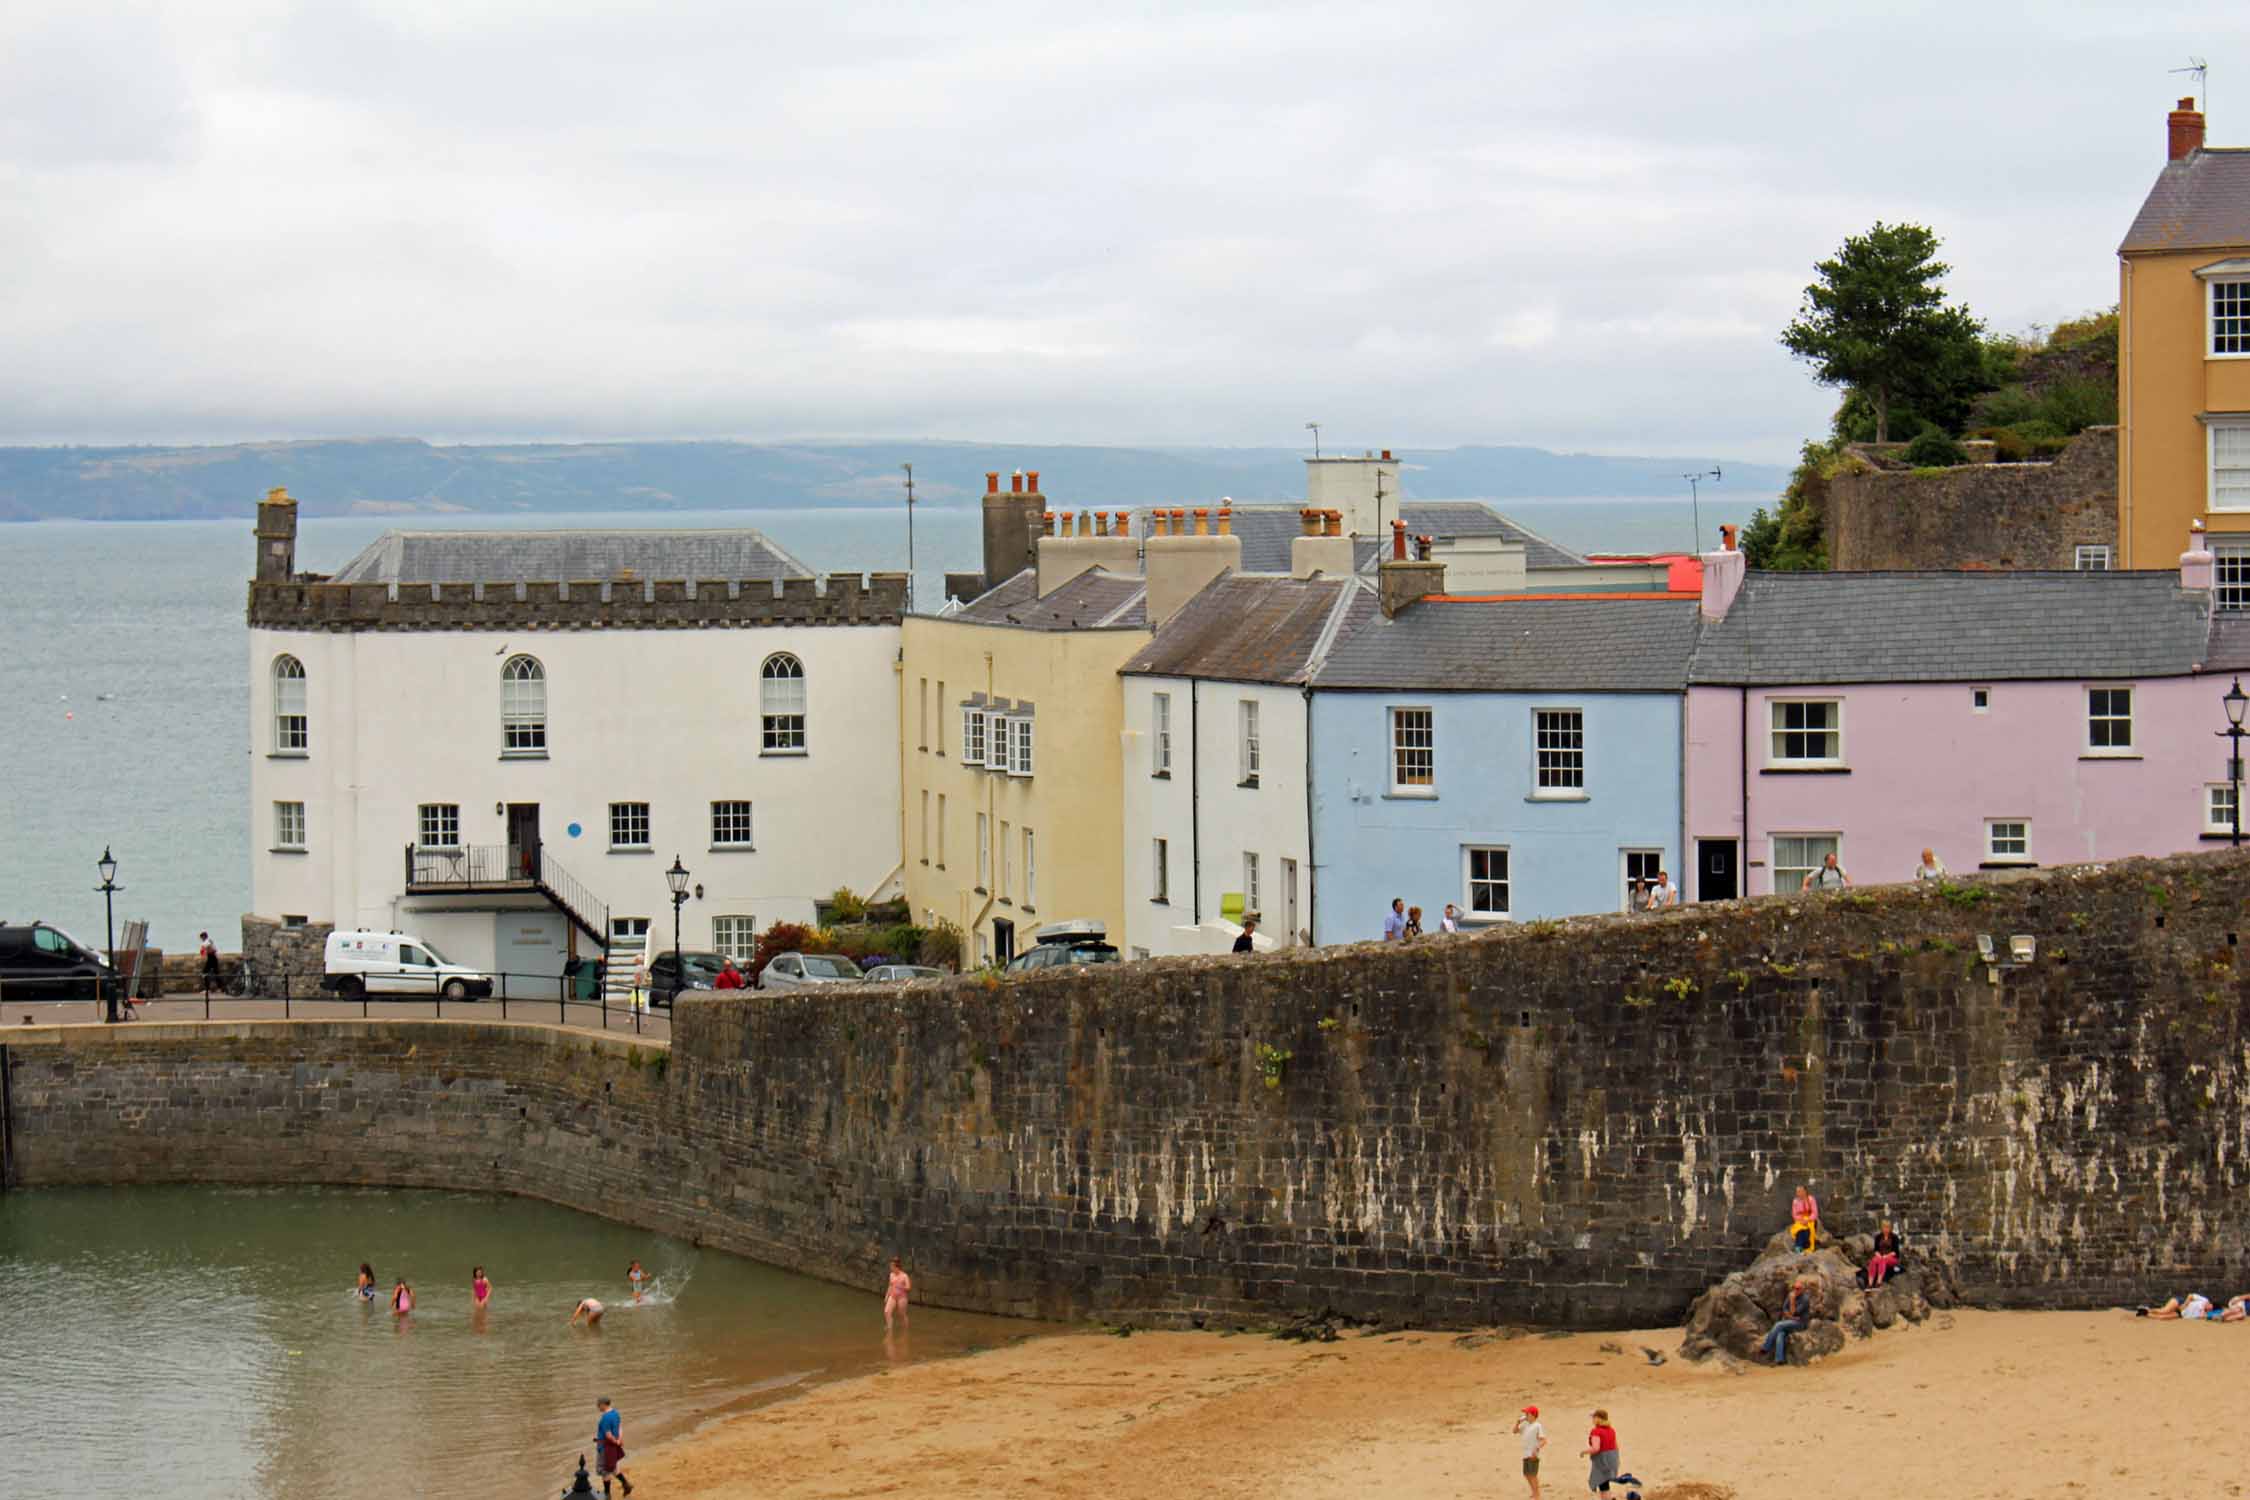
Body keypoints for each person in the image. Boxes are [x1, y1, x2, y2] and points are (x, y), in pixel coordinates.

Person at [1580, 1409, 1640, 1494]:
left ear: (1598, 1419)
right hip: (1612, 1457)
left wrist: (1583, 1452)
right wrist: (1616, 1459)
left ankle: (1625, 1479)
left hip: (1602, 1459)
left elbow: (1596, 1448)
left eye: (1594, 1417)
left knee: (1602, 1484)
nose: (1592, 1420)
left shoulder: (1596, 1431)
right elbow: (1616, 1446)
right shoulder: (1611, 1430)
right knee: (1605, 1481)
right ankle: (1625, 1479)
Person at [1760, 1277, 1814, 1364]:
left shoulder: (1805, 1299)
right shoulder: (1790, 1295)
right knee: (1780, 1334)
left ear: (1802, 1289)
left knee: (1778, 1325)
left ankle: (1766, 1348)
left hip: (1800, 1324)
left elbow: (1794, 1313)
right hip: (1791, 1322)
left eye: (1797, 1288)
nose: (1795, 1290)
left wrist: (1792, 1301)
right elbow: (1784, 1309)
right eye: (1794, 1288)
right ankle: (1779, 1360)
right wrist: (1791, 1317)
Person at [593, 1397, 634, 1497]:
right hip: (613, 1447)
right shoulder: (615, 1413)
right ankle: (626, 1484)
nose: (597, 1407)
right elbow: (620, 1427)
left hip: (605, 1448)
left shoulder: (605, 1418)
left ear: (603, 1404)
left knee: (604, 1471)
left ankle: (607, 1495)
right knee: (613, 1467)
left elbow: (608, 1434)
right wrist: (619, 1439)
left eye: (598, 1405)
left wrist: (615, 1441)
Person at [1512, 1403, 1547, 1499]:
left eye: (1527, 1414)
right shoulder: (1525, 1425)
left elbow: (1543, 1440)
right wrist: (1518, 1422)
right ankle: (1534, 1492)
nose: (1525, 1416)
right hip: (1526, 1454)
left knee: (1533, 1475)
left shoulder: (1537, 1426)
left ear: (1532, 1415)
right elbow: (1514, 1431)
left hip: (1533, 1454)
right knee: (1527, 1474)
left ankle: (1537, 1494)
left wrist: (1536, 1449)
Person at [1864, 1222, 1904, 1287]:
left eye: (1887, 1227)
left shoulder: (1894, 1237)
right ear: (1882, 1228)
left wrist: (1886, 1256)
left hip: (1892, 1257)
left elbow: (1895, 1252)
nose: (1886, 1229)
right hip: (1880, 1256)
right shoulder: (1878, 1236)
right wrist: (1878, 1255)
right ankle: (1870, 1283)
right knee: (1873, 1261)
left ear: (1890, 1228)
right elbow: (1876, 1250)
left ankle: (1879, 1282)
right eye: (1884, 1227)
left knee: (1883, 1260)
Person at [884, 1256, 912, 1334]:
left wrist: (902, 1286)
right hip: (892, 1296)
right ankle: (889, 1327)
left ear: (897, 1267)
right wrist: (887, 1295)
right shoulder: (891, 1275)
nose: (890, 1268)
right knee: (887, 1311)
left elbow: (909, 1287)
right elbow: (890, 1285)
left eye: (891, 1266)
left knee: (901, 1314)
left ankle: (905, 1330)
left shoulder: (904, 1276)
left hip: (902, 1297)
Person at [1789, 1183, 1820, 1252]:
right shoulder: (1795, 1201)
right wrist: (1801, 1220)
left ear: (1805, 1191)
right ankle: (1799, 1247)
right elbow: (1794, 1214)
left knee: (1807, 1230)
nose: (1798, 1193)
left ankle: (1801, 1246)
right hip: (1800, 1220)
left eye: (1800, 1191)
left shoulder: (1811, 1199)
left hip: (1810, 1220)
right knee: (1800, 1230)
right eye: (1797, 1192)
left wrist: (1808, 1219)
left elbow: (1815, 1213)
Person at [2145, 1292, 2214, 1320]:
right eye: (2210, 1306)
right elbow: (2190, 1296)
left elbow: (2203, 1317)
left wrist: (2203, 1312)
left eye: (2210, 1309)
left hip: (2181, 1314)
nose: (2209, 1308)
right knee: (2164, 1311)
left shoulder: (2204, 1314)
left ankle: (2144, 1313)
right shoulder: (2204, 1300)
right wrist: (2184, 1305)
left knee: (2163, 1318)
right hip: (2180, 1303)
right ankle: (2148, 1310)